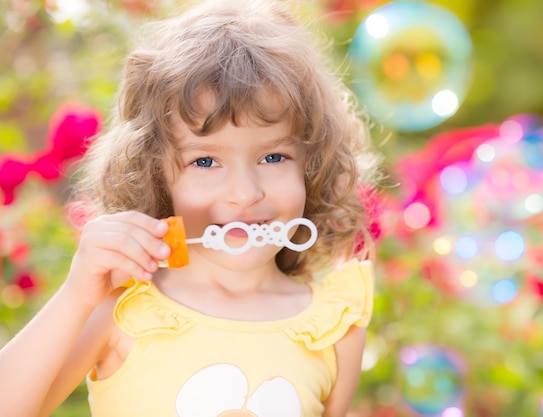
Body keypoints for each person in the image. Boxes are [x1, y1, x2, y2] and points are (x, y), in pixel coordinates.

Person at [0, 0, 381, 416]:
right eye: (204, 161)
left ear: (312, 164)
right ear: (156, 174)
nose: (244, 193)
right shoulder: (122, 309)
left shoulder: (332, 327)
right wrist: (76, 296)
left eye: (273, 157)